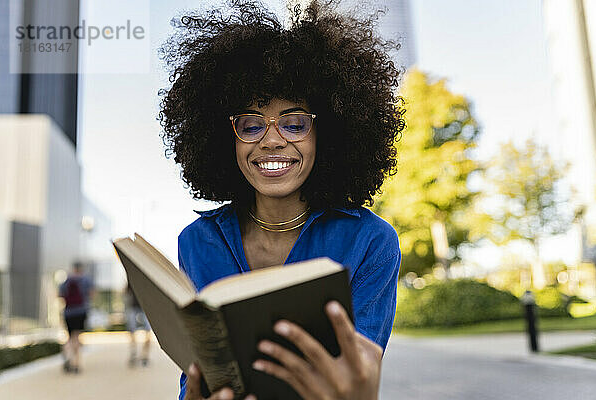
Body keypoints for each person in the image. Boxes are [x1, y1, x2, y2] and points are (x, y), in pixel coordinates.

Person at [158, 1, 405, 399]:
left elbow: (359, 378)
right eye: (251, 125)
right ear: (227, 139)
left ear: (327, 133)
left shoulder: (370, 241)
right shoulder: (196, 241)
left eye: (294, 123)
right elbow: (194, 375)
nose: (272, 140)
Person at [59, 261, 94, 374]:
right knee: (77, 337)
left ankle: (67, 354)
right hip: (81, 311)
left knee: (69, 337)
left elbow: (60, 295)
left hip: (68, 312)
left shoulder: (67, 280)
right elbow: (92, 294)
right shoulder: (85, 280)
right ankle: (76, 364)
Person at [125, 281, 152, 367]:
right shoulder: (131, 276)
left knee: (148, 332)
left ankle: (145, 355)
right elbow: (127, 291)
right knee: (132, 331)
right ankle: (134, 353)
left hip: (145, 307)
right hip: (134, 307)